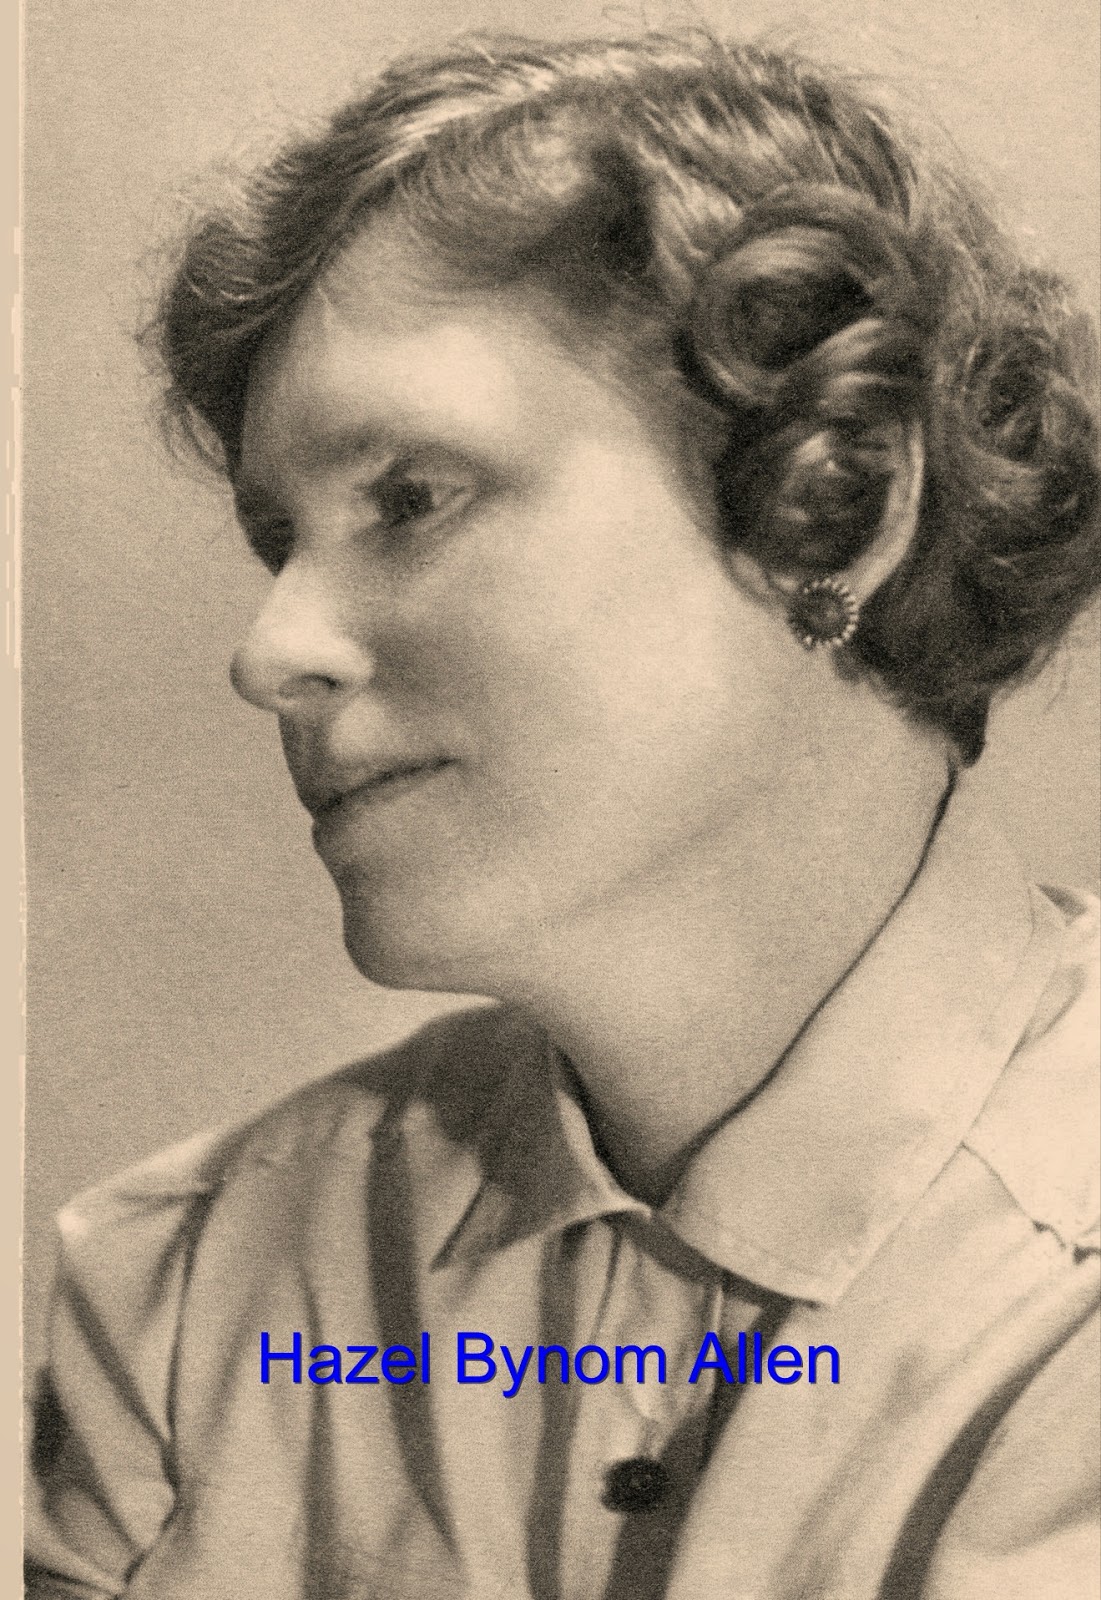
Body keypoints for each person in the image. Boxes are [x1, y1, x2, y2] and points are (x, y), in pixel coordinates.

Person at [26, 30, 1100, 1600]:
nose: (270, 651)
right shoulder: (186, 1290)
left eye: (411, 498)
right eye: (278, 541)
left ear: (841, 505)